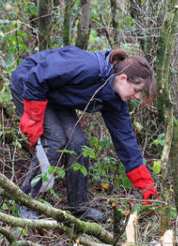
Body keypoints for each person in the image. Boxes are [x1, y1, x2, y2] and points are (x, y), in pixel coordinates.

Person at [10, 46, 159, 222]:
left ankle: (79, 207)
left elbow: (127, 144)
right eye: (137, 90)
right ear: (123, 78)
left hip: (55, 96)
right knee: (55, 140)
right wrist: (32, 120)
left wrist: (147, 188)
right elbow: (37, 76)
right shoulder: (89, 66)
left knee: (79, 144)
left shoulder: (115, 101)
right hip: (29, 83)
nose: (136, 97)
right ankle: (25, 203)